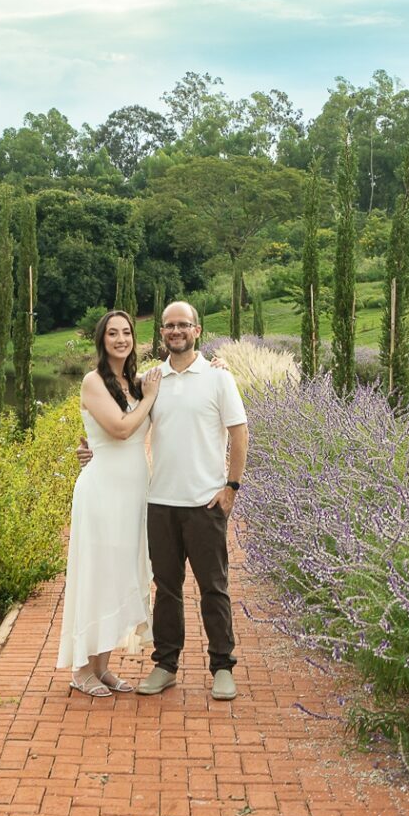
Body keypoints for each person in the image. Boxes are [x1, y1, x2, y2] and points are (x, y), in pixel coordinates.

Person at [137, 301, 248, 702]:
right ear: (161, 333)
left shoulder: (219, 378)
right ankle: (165, 666)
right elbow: (124, 428)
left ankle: (222, 667)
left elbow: (239, 433)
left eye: (183, 324)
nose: (176, 331)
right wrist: (92, 452)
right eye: (169, 325)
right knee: (166, 589)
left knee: (213, 588)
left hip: (205, 504)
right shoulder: (151, 381)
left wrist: (231, 487)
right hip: (160, 502)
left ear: (197, 330)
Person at [56, 309, 161, 696]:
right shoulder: (93, 381)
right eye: (113, 333)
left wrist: (219, 367)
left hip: (133, 494)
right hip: (102, 493)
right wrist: (150, 398)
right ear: (102, 340)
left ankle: (102, 668)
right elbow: (120, 429)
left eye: (127, 332)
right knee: (97, 576)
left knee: (119, 576)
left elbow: (180, 376)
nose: (121, 339)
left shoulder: (135, 383)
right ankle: (81, 669)